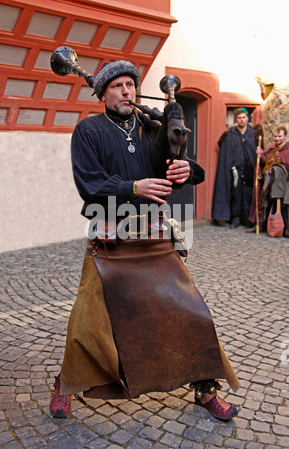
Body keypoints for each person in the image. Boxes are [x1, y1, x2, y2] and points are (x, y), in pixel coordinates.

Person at [50, 60, 240, 421]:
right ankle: (66, 383)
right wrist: (133, 187)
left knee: (189, 312)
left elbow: (177, 166)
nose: (126, 91)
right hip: (109, 238)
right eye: (118, 86)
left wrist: (187, 171)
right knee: (89, 320)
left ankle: (204, 387)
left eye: (130, 85)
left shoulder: (152, 127)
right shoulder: (88, 131)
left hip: (154, 235)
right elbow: (89, 185)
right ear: (102, 94)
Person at [212, 108, 257, 228]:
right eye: (239, 118)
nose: (242, 120)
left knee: (248, 194)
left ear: (247, 118)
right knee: (236, 194)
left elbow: (256, 150)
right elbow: (221, 144)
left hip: (249, 170)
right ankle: (235, 218)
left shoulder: (253, 134)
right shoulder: (230, 134)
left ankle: (247, 218)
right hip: (235, 170)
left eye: (243, 117)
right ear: (236, 119)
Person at [246, 125, 289, 235]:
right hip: (270, 183)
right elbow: (266, 163)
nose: (277, 139)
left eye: (279, 136)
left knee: (283, 206)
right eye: (275, 136)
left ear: (285, 136)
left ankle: (285, 229)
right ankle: (267, 226)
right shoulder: (271, 149)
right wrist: (261, 155)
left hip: (285, 184)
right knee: (267, 204)